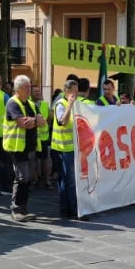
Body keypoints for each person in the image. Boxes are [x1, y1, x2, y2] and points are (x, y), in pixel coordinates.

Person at [5, 75, 42, 223]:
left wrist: (34, 120)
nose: (29, 89)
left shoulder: (31, 104)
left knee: (28, 179)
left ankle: (23, 208)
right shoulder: (12, 103)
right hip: (17, 148)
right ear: (18, 89)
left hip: (30, 147)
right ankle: (17, 210)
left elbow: (43, 122)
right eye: (26, 87)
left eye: (30, 86)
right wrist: (35, 120)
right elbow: (23, 124)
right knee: (22, 178)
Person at [54, 79, 83, 221]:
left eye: (77, 91)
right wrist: (70, 105)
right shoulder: (61, 104)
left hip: (73, 148)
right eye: (74, 91)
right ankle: (73, 210)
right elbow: (63, 122)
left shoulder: (78, 103)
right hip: (63, 148)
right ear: (67, 91)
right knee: (69, 180)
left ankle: (65, 210)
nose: (76, 94)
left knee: (67, 180)